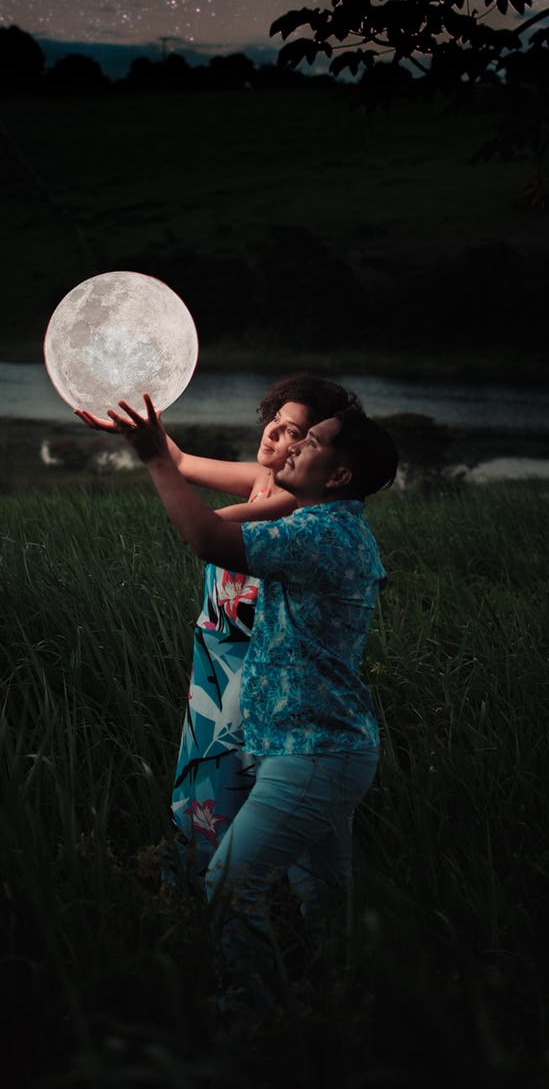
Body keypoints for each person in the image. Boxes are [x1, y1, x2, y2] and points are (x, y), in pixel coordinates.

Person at [77, 390, 398, 1006]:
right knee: (324, 896)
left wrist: (152, 460)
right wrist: (156, 447)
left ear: (338, 475)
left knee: (230, 884)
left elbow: (206, 538)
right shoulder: (319, 522)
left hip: (314, 751)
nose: (292, 444)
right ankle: (342, 1006)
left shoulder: (323, 534)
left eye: (310, 439)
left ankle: (247, 1012)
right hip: (312, 746)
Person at [130, 374, 355, 887]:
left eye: (294, 432)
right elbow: (183, 462)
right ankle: (204, 889)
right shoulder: (260, 476)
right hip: (214, 657)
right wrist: (144, 419)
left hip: (251, 668)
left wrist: (153, 459)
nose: (274, 435)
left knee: (236, 787)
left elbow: (213, 528)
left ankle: (228, 893)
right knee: (206, 780)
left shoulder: (291, 504)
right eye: (274, 421)